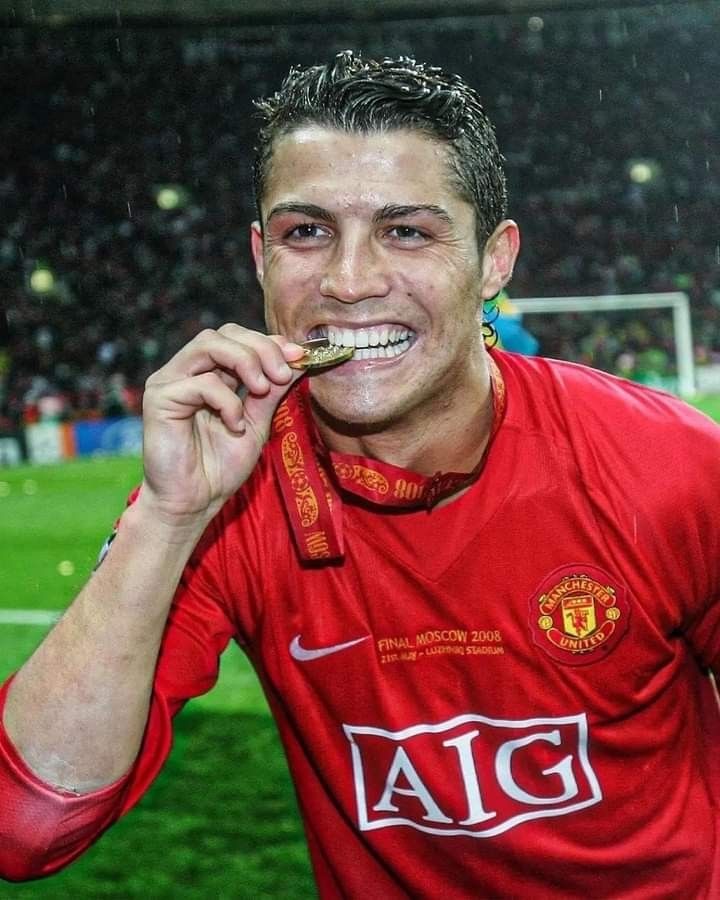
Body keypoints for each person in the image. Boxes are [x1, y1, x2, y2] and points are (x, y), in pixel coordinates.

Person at [1, 50, 720, 898]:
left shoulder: (671, 464)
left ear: (495, 260)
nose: (348, 281)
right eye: (307, 232)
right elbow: (27, 826)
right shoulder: (229, 493)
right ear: (261, 255)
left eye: (406, 230)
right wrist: (166, 517)